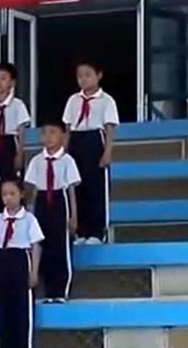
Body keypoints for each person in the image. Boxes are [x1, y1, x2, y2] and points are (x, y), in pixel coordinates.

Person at [0, 178, 42, 348]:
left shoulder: (28, 219)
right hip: (2, 260)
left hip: (20, 260)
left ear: (21, 194)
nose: (8, 198)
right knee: (4, 308)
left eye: (12, 194)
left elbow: (35, 246)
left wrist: (34, 271)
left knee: (21, 307)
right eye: (4, 194)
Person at [63, 60, 119, 244]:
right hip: (76, 141)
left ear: (98, 76)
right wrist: (64, 151)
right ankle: (80, 232)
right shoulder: (73, 100)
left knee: (95, 188)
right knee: (77, 187)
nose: (83, 79)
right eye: (80, 76)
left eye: (88, 75)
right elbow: (68, 128)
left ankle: (97, 232)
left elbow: (109, 128)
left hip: (95, 141)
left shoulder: (106, 100)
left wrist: (107, 151)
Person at [25, 121, 81, 303]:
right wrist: (30, 212)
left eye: (53, 132)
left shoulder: (67, 160)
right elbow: (32, 190)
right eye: (44, 133)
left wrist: (73, 216)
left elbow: (71, 190)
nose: (48, 137)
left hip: (59, 200)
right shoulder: (36, 161)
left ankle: (60, 290)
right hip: (42, 201)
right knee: (43, 245)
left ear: (63, 136)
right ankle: (47, 290)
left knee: (60, 246)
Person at [0, 63, 31, 182]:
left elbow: (21, 131)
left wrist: (20, 154)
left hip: (10, 143)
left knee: (10, 178)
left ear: (12, 83)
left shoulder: (18, 105)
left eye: (3, 79)